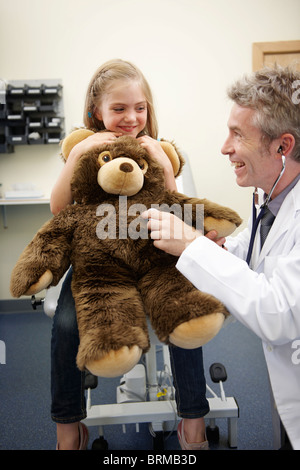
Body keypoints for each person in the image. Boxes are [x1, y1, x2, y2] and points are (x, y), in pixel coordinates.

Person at [50, 59, 209, 450]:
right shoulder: (85, 152)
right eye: (118, 109)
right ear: (96, 112)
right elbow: (58, 210)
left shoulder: (161, 151)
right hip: (98, 269)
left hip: (155, 260)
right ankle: (69, 428)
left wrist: (161, 164)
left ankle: (193, 421)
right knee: (66, 327)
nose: (130, 117)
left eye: (139, 108)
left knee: (186, 312)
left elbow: (180, 211)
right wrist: (78, 153)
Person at [143, 65, 300, 450]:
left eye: (237, 135)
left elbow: (280, 314)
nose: (225, 147)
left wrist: (193, 246)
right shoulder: (274, 196)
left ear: (283, 146)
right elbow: (258, 246)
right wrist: (222, 248)